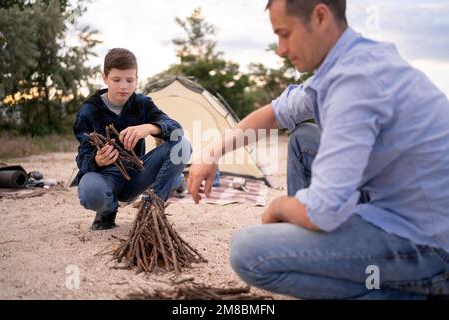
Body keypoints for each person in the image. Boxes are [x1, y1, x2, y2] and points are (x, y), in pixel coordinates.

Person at [187, 0, 449, 299]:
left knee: (249, 251)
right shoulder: (350, 63)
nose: (280, 49)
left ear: (321, 17)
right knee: (304, 137)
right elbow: (273, 114)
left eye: (284, 33)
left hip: (428, 244)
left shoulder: (355, 82)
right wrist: (211, 153)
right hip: (400, 208)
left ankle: (418, 290)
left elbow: (322, 212)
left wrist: (279, 207)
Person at [74, 48, 190, 230]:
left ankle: (153, 208)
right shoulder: (89, 111)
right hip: (106, 178)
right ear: (105, 78)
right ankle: (107, 211)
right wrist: (96, 159)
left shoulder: (141, 103)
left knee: (182, 146)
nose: (124, 87)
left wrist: (150, 127)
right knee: (90, 192)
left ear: (136, 78)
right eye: (116, 80)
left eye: (130, 80)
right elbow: (82, 160)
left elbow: (176, 129)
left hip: (137, 174)